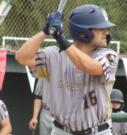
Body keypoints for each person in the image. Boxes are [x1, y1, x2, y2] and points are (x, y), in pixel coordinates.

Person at [15, 4, 119, 135]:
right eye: (101, 28)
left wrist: (61, 39)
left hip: (97, 131)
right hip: (61, 131)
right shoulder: (54, 55)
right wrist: (45, 31)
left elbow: (89, 67)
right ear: (83, 32)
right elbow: (21, 57)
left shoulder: (109, 55)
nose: (106, 32)